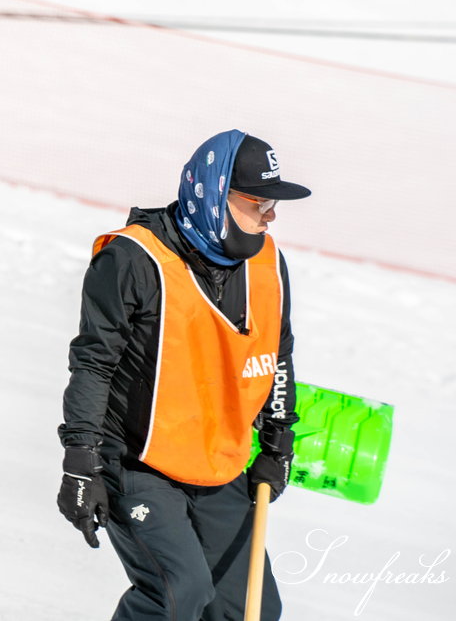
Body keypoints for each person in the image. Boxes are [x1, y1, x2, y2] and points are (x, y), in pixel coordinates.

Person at [57, 130, 310, 621]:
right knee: (177, 593)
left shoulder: (267, 263)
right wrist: (80, 461)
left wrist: (279, 444)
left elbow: (276, 355)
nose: (271, 214)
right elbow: (93, 361)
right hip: (137, 461)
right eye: (259, 200)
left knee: (250, 610)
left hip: (217, 462)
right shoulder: (133, 259)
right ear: (213, 193)